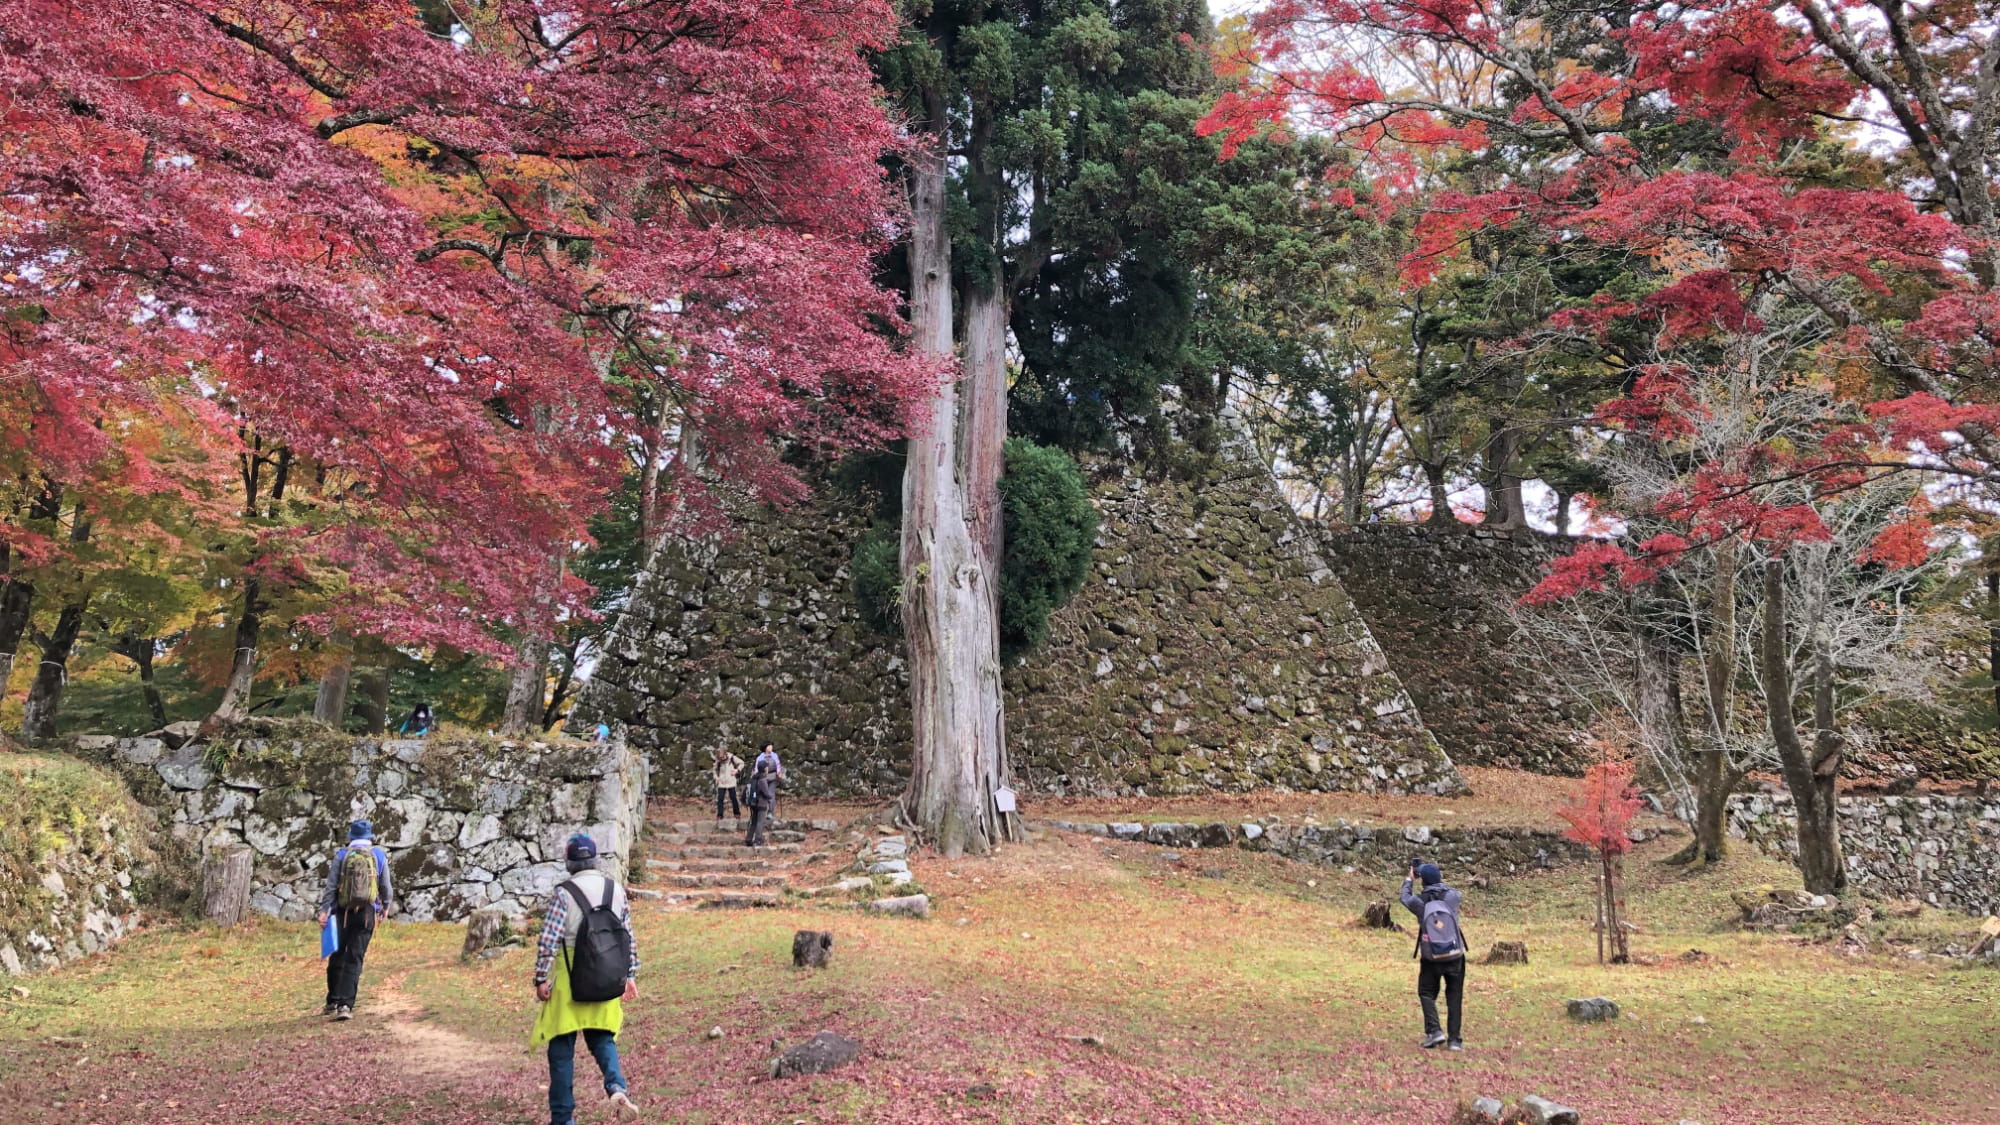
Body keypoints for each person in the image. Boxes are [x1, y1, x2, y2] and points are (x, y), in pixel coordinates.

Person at [532, 834, 641, 1124]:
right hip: (607, 978)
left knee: (561, 1051)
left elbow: (548, 940)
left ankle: (563, 1117)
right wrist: (630, 975)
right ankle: (616, 1087)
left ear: (569, 862)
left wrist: (541, 978)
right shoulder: (615, 890)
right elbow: (627, 937)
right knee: (603, 1038)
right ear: (595, 860)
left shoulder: (564, 893)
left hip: (570, 982)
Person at [317, 819, 394, 1021]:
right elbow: (385, 886)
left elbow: (332, 887)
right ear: (370, 837)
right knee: (355, 958)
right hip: (366, 913)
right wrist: (385, 906)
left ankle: (332, 1000)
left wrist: (325, 910)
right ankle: (345, 1005)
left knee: (337, 955)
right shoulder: (377, 855)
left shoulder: (342, 855)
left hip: (341, 912)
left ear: (350, 836)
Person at [1400, 860, 1467, 1051]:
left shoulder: (1419, 902)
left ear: (1422, 880)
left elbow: (1404, 897)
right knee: (1454, 996)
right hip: (1455, 954)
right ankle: (1455, 1041)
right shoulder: (1452, 897)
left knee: (1426, 992)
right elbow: (1457, 893)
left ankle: (1434, 1030)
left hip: (1431, 957)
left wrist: (1409, 879)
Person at [743, 760, 776, 847]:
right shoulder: (762, 779)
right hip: (761, 804)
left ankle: (749, 839)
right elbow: (766, 793)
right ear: (765, 769)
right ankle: (758, 840)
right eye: (767, 767)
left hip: (753, 803)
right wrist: (770, 797)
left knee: (753, 821)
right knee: (760, 822)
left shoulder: (754, 777)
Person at [711, 748, 744, 821]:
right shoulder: (718, 761)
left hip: (731, 781)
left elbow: (741, 763)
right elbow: (714, 769)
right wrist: (716, 777)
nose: (722, 759)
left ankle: (737, 813)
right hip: (722, 782)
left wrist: (737, 770)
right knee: (720, 799)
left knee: (733, 798)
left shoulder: (732, 758)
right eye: (720, 757)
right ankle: (720, 815)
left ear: (725, 754)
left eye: (723, 757)